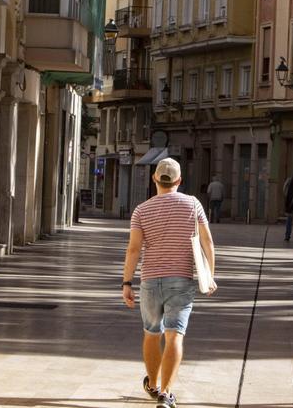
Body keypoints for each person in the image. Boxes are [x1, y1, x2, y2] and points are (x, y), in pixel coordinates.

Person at [122, 158, 217, 408]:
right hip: (181, 280)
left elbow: (133, 250)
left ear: (155, 179)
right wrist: (210, 275)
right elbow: (207, 241)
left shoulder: (141, 210)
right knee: (175, 336)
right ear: (179, 181)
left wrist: (126, 283)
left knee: (152, 334)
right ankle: (166, 392)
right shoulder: (193, 204)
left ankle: (152, 385)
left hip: (151, 281)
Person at [282, 176, 293, 242]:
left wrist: (287, 196)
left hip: (291, 202)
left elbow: (284, 189)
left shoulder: (289, 179)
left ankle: (287, 235)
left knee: (289, 219)